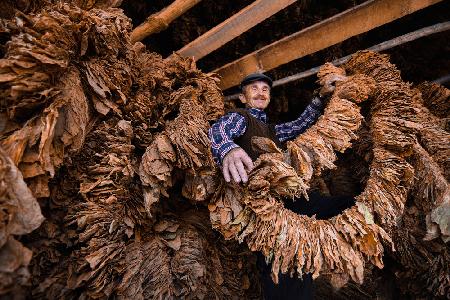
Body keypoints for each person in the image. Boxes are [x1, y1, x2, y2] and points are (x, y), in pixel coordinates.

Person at [208, 73, 354, 299]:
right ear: (243, 97)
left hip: (286, 197)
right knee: (287, 260)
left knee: (344, 206)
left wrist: (321, 97)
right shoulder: (240, 117)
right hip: (260, 207)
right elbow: (218, 131)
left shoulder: (273, 131)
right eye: (254, 88)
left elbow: (299, 125)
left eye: (265, 89)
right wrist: (228, 149)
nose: (260, 92)